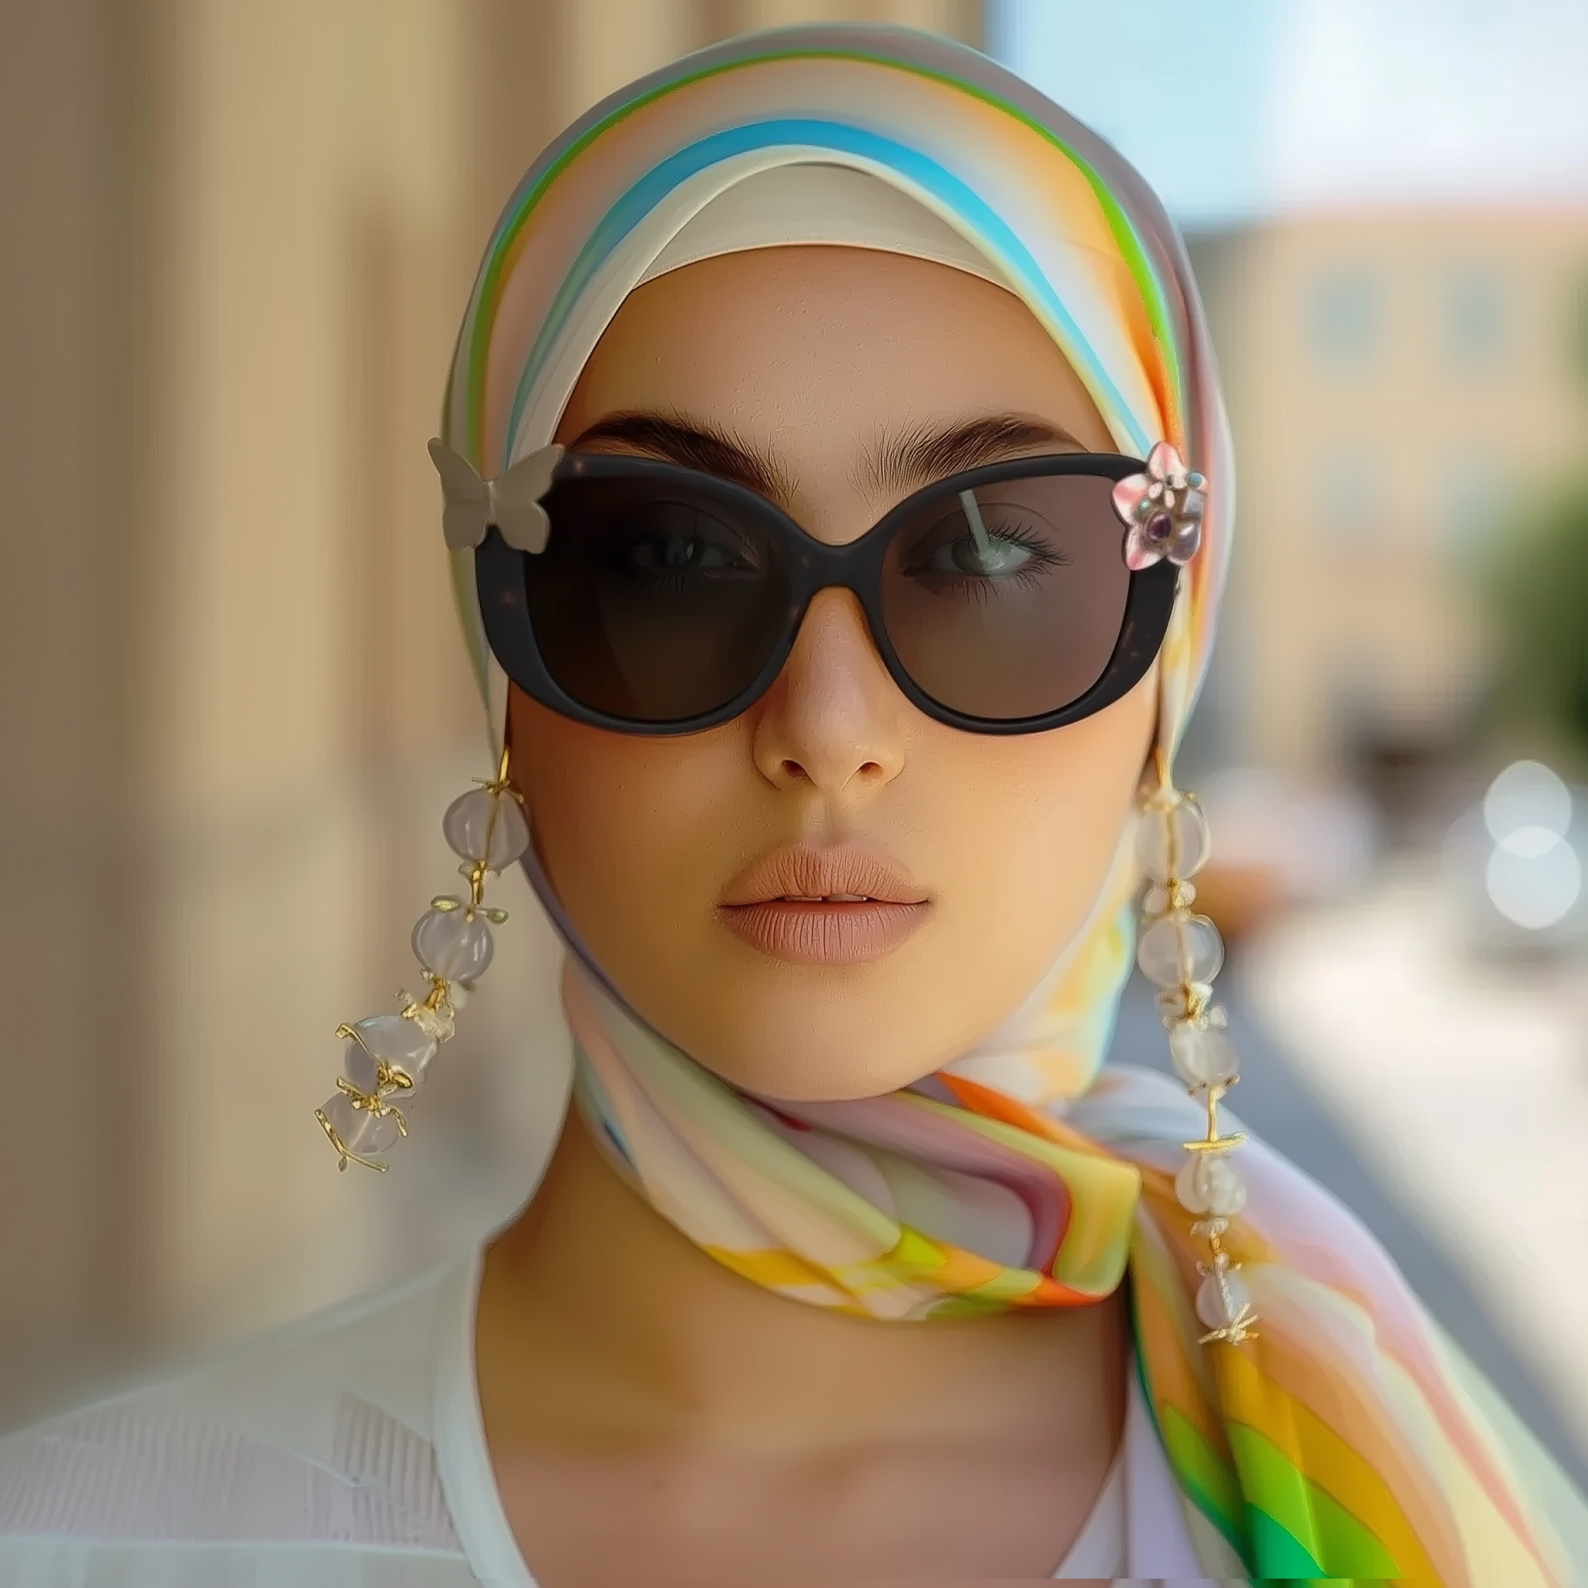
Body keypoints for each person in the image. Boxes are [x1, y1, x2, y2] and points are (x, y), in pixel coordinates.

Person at [2, 24, 1584, 1586]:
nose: (828, 731)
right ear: (503, 669)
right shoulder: (94, 1541)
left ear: (1168, 661)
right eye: (669, 557)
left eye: (988, 552)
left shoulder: (1368, 1472)